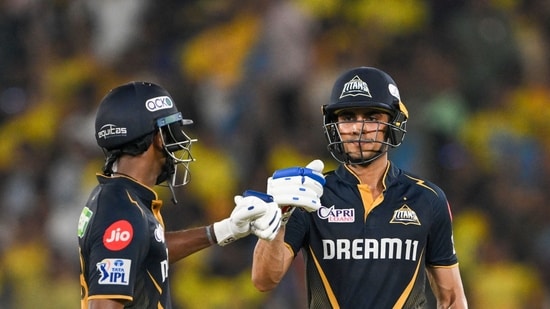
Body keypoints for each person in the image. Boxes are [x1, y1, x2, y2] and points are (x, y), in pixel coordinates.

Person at [251, 67, 468, 308]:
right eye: (348, 118)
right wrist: (277, 221)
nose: (358, 128)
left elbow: (451, 299)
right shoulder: (310, 196)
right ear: (334, 124)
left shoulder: (427, 199)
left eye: (372, 117)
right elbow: (264, 280)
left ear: (393, 123)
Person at [77, 81, 282, 309]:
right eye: (172, 131)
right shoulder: (121, 210)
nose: (178, 143)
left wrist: (223, 230)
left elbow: (146, 249)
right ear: (157, 138)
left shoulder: (123, 199)